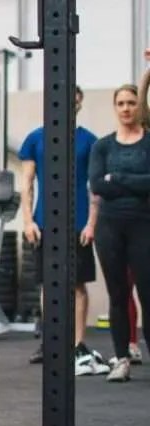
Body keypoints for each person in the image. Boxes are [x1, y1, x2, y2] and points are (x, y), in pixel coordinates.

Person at [19, 85, 111, 376]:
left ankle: (77, 345)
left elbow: (95, 187)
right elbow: (27, 183)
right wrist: (27, 221)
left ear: (79, 101)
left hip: (79, 222)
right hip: (45, 223)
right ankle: (52, 344)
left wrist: (92, 223)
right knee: (49, 285)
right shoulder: (35, 138)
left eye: (73, 97)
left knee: (77, 286)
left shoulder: (90, 142)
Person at [87, 82, 150, 382]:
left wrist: (120, 177)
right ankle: (121, 359)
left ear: (140, 106)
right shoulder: (103, 146)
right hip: (110, 228)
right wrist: (137, 182)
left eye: (131, 103)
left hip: (143, 225)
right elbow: (98, 185)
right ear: (115, 108)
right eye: (121, 103)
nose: (126, 108)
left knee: (148, 294)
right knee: (118, 295)